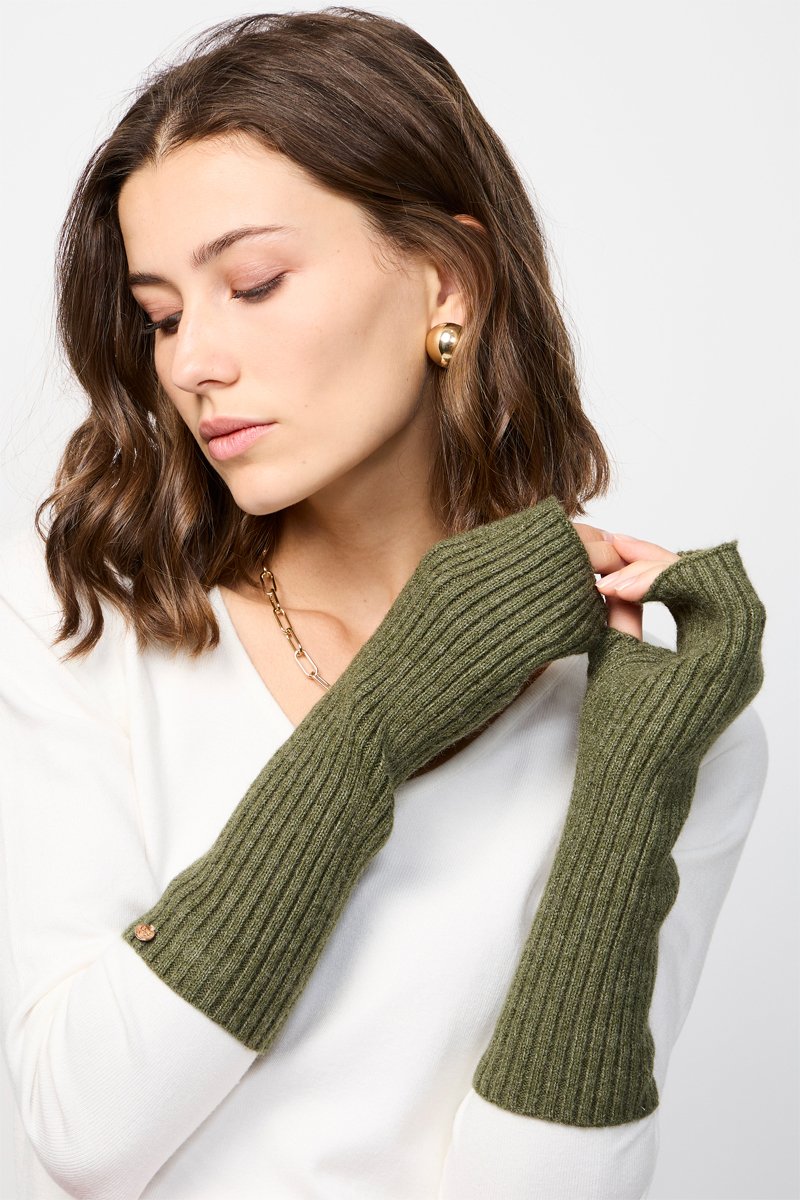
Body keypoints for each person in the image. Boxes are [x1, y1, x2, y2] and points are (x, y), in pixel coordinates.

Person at [0, 9, 767, 1199]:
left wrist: (625, 800)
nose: (190, 363)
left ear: (445, 281)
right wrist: (377, 718)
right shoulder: (88, 634)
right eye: (162, 315)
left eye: (252, 283)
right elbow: (83, 1129)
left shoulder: (651, 715)